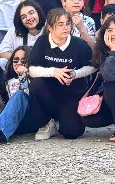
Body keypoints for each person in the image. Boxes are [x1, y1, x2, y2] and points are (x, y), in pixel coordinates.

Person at [27, 9, 96, 141]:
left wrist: (76, 74)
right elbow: (32, 70)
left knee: (72, 132)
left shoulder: (79, 44)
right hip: (49, 89)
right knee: (36, 85)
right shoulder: (42, 42)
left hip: (72, 92)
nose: (65, 27)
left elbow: (93, 67)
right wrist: (54, 72)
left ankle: (65, 118)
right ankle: (46, 123)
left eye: (68, 24)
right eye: (60, 24)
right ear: (50, 27)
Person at [0, 1, 45, 65]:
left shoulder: (49, 28)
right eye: (23, 17)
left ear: (38, 12)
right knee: (1, 61)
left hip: (43, 67)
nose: (28, 18)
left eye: (31, 13)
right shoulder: (14, 31)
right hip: (19, 66)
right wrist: (21, 60)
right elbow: (0, 53)